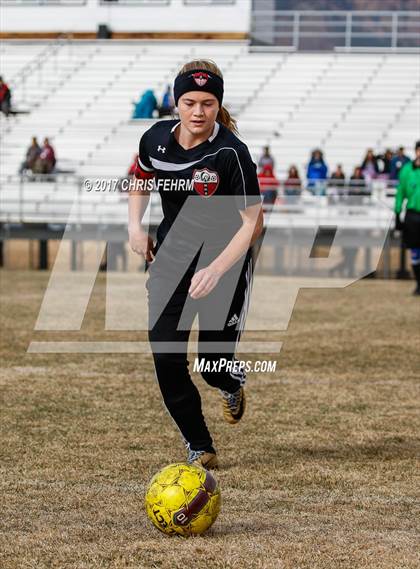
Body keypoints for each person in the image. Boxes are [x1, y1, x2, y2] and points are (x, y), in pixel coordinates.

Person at [128, 60, 263, 470]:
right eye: (189, 102)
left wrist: (217, 269)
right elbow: (140, 177)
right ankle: (199, 445)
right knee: (166, 355)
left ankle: (231, 383)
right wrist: (135, 226)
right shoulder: (154, 140)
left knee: (212, 365)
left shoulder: (231, 154)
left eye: (208, 103)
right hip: (171, 260)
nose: (198, 112)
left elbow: (254, 224)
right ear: (176, 102)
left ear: (218, 104)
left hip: (224, 264)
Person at [394, 140, 420, 295]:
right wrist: (397, 213)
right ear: (416, 151)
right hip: (412, 216)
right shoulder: (406, 170)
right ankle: (418, 283)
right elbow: (400, 193)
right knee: (415, 252)